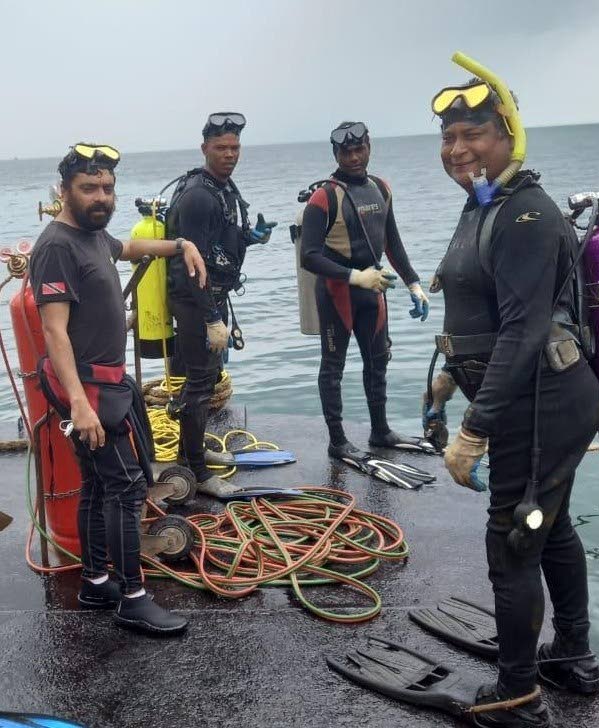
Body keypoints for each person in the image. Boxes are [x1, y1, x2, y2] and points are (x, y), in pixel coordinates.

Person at [426, 78, 599, 726]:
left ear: (509, 134)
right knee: (548, 527)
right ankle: (574, 659)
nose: (457, 148)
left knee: (512, 540)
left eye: (473, 133)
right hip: (535, 398)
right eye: (448, 136)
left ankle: (517, 695)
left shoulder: (526, 212)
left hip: (542, 403)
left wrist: (473, 428)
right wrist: (451, 377)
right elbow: (480, 303)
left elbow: (525, 329)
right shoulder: (483, 201)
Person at [29, 142, 206, 635]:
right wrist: (82, 406)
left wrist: (179, 245)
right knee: (127, 487)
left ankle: (95, 581)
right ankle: (132, 597)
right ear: (64, 191)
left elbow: (129, 248)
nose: (101, 196)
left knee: (96, 484)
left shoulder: (95, 237)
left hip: (103, 387)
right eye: (89, 188)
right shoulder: (57, 246)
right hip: (87, 392)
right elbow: (54, 332)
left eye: (107, 188)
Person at [300, 121, 430, 464]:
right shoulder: (324, 197)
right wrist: (355, 277)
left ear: (369, 147)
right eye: (346, 152)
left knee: (378, 362)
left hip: (373, 291)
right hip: (337, 293)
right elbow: (309, 256)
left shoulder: (380, 188)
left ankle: (381, 430)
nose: (354, 157)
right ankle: (338, 441)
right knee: (333, 367)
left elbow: (393, 242)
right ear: (336, 154)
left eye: (359, 149)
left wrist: (413, 283)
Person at [165, 112, 276, 498]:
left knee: (209, 380)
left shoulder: (222, 188)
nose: (230, 154)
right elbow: (192, 261)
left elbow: (219, 246)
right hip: (196, 301)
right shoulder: (198, 196)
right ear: (204, 149)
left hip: (213, 297)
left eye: (235, 148)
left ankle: (190, 452)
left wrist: (251, 238)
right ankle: (196, 472)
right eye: (221, 148)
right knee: (199, 384)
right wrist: (211, 318)